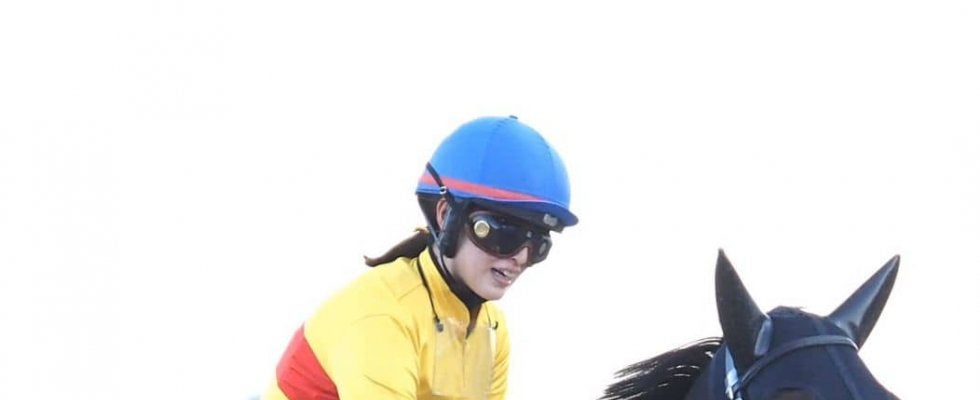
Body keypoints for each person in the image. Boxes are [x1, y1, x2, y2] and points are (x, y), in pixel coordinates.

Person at [261, 115, 578, 400]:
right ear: (445, 215)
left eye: (538, 244)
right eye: (504, 234)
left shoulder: (492, 327)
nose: (521, 257)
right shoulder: (381, 318)